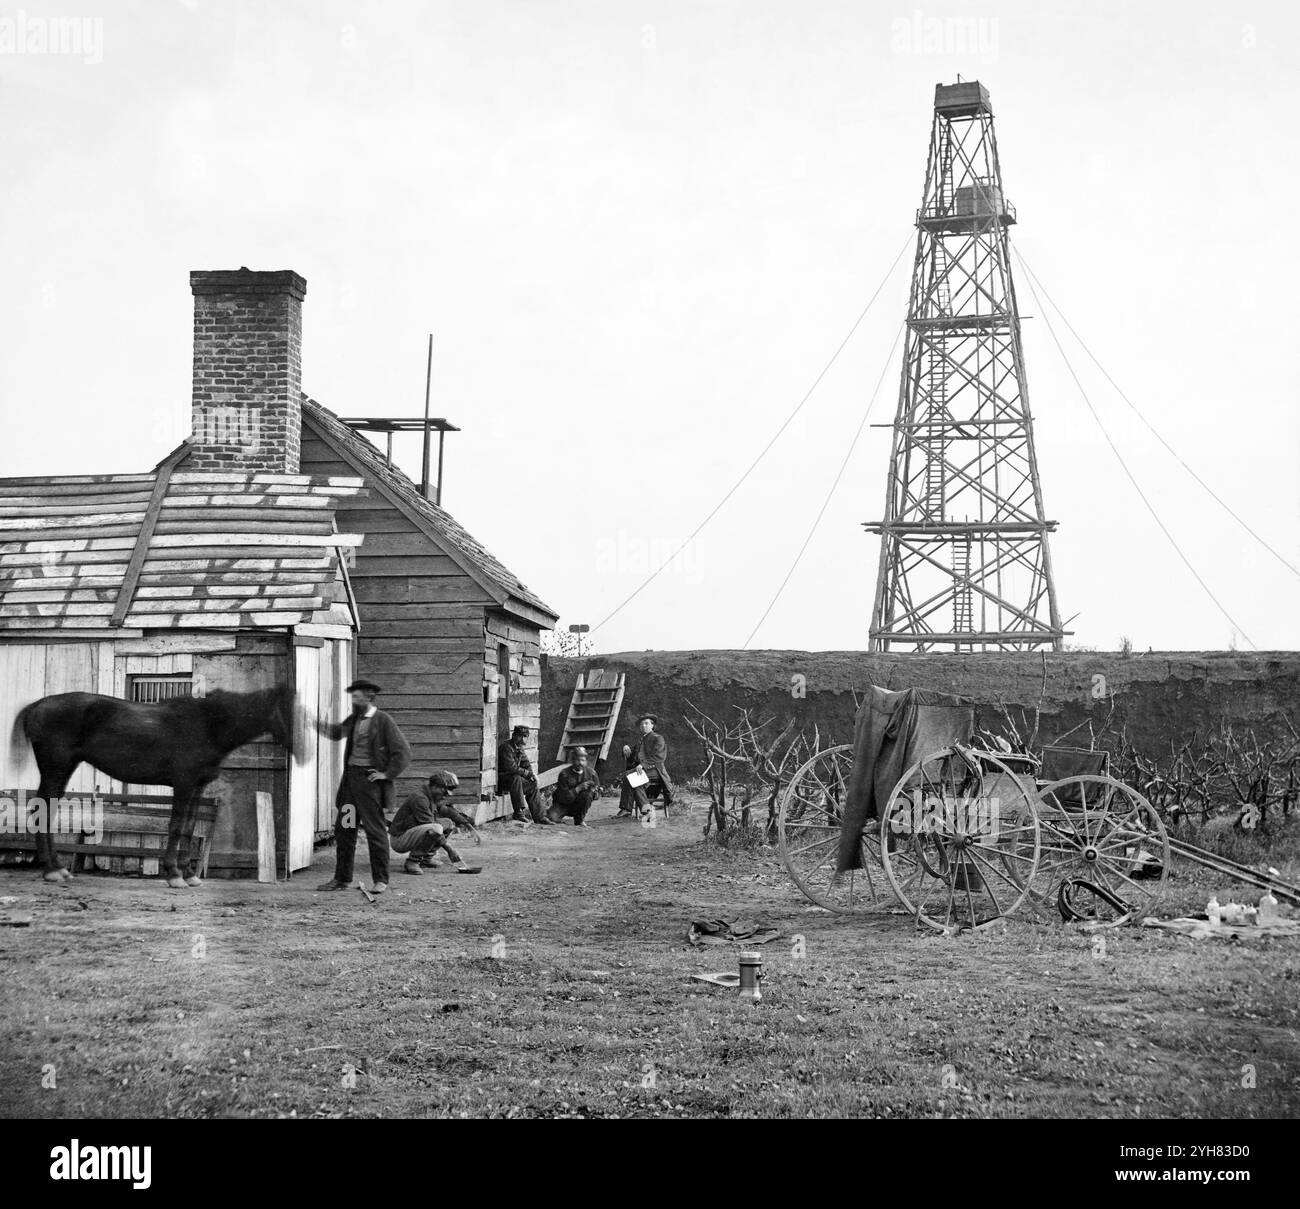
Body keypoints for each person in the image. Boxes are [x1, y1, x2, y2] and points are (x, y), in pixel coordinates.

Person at [316, 679, 412, 894]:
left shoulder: (382, 721)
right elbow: (336, 733)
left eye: (358, 697)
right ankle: (341, 879)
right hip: (351, 785)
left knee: (375, 832)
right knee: (346, 830)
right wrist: (313, 722)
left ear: (369, 698)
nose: (354, 700)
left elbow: (403, 752)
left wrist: (385, 774)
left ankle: (380, 880)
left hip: (369, 787)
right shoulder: (355, 719)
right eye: (353, 697)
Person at [390, 771, 481, 875]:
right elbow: (432, 830)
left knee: (448, 823)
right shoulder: (420, 798)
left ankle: (426, 858)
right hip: (399, 839)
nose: (446, 796)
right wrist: (450, 850)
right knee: (436, 829)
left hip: (411, 833)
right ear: (436, 787)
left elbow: (447, 811)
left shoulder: (431, 795)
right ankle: (412, 861)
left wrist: (468, 826)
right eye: (445, 792)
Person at [619, 714, 674, 817]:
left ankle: (627, 809)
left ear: (652, 725)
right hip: (644, 771)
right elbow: (634, 755)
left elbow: (659, 757)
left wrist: (643, 765)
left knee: (629, 776)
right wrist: (626, 749)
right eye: (641, 724)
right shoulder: (642, 740)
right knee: (635, 783)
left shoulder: (658, 738)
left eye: (646, 723)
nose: (643, 726)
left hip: (655, 770)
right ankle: (646, 811)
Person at [497, 724, 550, 824]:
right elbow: (511, 768)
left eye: (525, 736)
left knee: (532, 784)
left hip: (513, 781)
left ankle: (539, 817)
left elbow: (526, 764)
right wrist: (528, 774)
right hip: (501, 780)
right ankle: (518, 813)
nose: (522, 739)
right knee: (516, 778)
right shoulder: (506, 747)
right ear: (514, 736)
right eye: (520, 736)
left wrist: (532, 776)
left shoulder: (520, 748)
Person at [548, 746, 600, 827]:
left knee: (588, 794)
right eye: (577, 760)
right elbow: (562, 797)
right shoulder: (564, 774)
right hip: (563, 805)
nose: (580, 763)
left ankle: (579, 820)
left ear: (586, 761)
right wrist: (578, 788)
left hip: (579, 805)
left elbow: (598, 794)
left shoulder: (592, 773)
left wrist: (594, 791)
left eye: (583, 760)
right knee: (551, 818)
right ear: (572, 760)